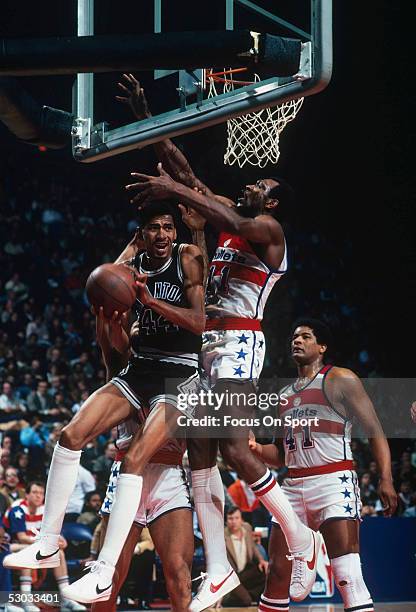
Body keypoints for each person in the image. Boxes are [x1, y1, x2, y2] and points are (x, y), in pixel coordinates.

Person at [118, 74, 319, 609]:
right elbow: (186, 173)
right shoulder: (235, 221)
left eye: (266, 186)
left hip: (239, 345)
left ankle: (300, 536)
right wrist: (147, 119)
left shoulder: (269, 235)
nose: (257, 183)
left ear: (273, 206)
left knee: (232, 446)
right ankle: (218, 571)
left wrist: (174, 192)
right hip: (209, 345)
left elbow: (214, 208)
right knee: (201, 453)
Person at [3, 203, 204, 612]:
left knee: (179, 579)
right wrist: (108, 308)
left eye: (168, 226)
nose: (163, 234)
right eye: (153, 228)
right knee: (70, 435)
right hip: (140, 393)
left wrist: (149, 299)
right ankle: (46, 543)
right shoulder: (124, 349)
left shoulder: (186, 258)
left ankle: (102, 567)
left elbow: (200, 323)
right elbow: (107, 298)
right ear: (141, 235)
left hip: (175, 404)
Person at [248, 318, 397, 612]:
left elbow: (375, 429)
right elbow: (280, 454)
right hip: (292, 486)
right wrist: (254, 448)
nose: (297, 341)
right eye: (294, 337)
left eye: (305, 336)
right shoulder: (284, 395)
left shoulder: (340, 378)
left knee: (347, 576)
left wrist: (386, 478)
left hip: (332, 481)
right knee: (277, 573)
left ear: (322, 347)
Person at [86, 300, 195, 612]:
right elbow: (108, 340)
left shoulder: (182, 368)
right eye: (137, 324)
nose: (141, 328)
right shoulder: (123, 366)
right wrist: (104, 316)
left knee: (179, 576)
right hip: (126, 476)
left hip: (169, 475)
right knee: (108, 579)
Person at [2, 481, 86, 611]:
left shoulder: (45, 510)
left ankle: (66, 598)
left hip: (36, 546)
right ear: (27, 495)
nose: (38, 496)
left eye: (41, 493)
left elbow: (53, 533)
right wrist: (46, 543)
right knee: (28, 550)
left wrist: (60, 540)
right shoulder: (17, 509)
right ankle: (26, 599)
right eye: (35, 492)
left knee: (60, 553)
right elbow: (21, 537)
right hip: (11, 546)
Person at [223, 506, 268, 607]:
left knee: (266, 571)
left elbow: (253, 546)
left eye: (236, 518)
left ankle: (245, 594)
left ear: (241, 519)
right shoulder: (222, 536)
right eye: (230, 518)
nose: (234, 521)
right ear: (226, 521)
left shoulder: (247, 527)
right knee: (246, 601)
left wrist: (261, 560)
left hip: (245, 572)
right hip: (232, 576)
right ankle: (233, 596)